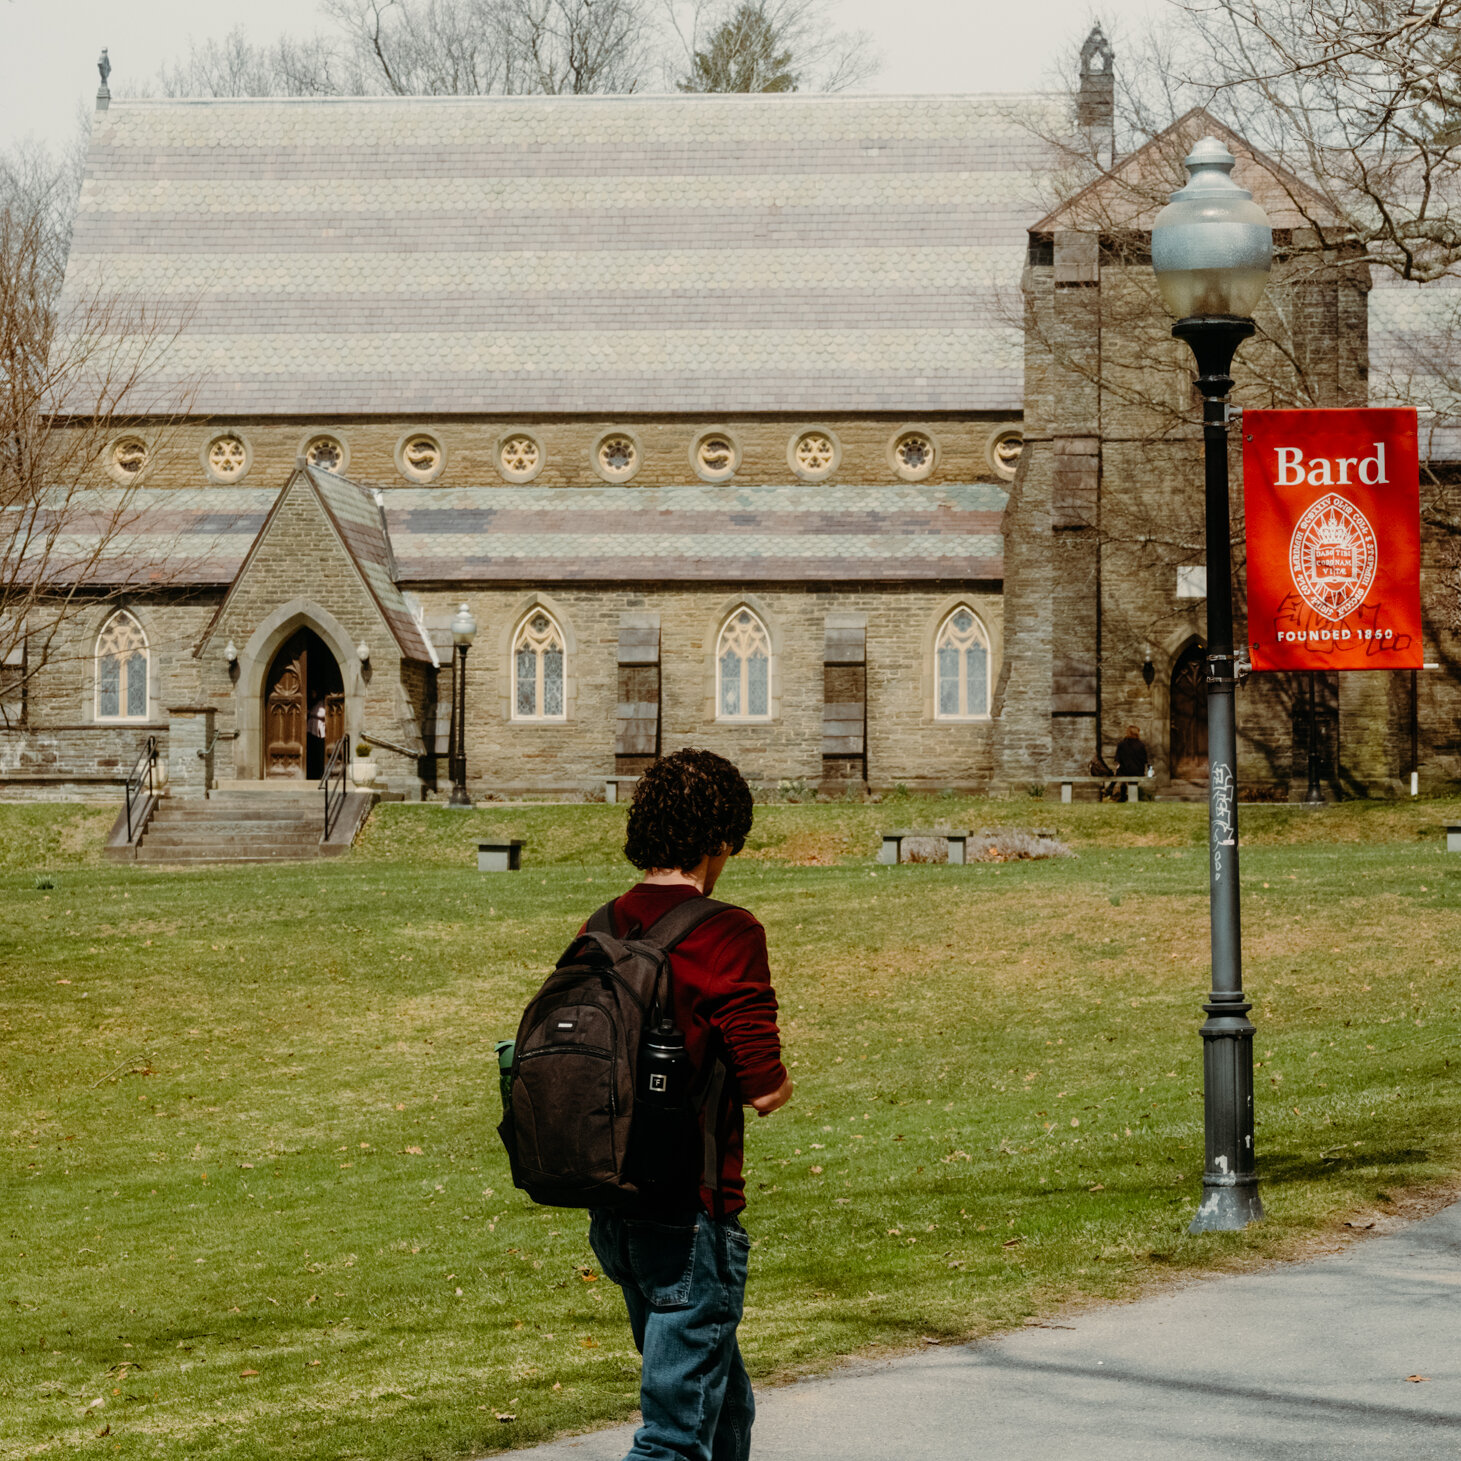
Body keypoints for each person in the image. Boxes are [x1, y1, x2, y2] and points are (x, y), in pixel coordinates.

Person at [588, 747, 791, 1461]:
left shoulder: (602, 923)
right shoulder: (727, 931)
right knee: (673, 1436)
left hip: (613, 1208)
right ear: (720, 839)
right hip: (690, 1216)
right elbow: (763, 1085)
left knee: (723, 1403)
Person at [1114, 724, 1149, 797]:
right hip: (1138, 771)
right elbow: (1145, 760)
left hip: (1124, 771)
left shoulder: (1122, 744)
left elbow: (1117, 760)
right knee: (1125, 772)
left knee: (1121, 774)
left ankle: (1121, 795)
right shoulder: (1141, 745)